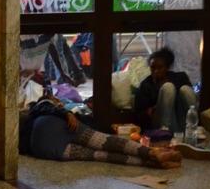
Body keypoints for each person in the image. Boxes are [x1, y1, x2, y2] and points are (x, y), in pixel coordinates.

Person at [19, 97, 181, 169]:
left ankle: (152, 162)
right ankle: (151, 153)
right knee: (105, 142)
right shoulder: (44, 104)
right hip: (51, 126)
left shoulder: (26, 120)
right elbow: (42, 105)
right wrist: (63, 112)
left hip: (43, 150)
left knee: (100, 156)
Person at [133, 48, 196, 134]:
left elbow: (189, 101)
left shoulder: (180, 77)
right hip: (159, 123)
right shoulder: (146, 84)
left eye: (160, 68)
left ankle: (194, 128)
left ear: (167, 67)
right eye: (153, 67)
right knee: (168, 87)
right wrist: (149, 111)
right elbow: (138, 113)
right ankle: (164, 133)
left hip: (181, 120)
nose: (156, 71)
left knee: (186, 89)